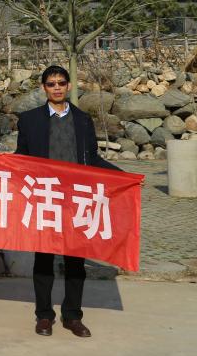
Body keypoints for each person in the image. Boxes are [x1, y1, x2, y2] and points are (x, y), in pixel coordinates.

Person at [16, 64, 122, 339]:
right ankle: (44, 315)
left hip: (76, 199)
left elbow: (93, 159)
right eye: (51, 84)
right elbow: (21, 158)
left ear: (69, 85)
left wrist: (124, 177)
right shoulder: (29, 120)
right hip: (44, 198)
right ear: (44, 88)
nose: (57, 88)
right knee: (43, 260)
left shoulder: (83, 120)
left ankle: (73, 315)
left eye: (61, 83)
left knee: (75, 262)